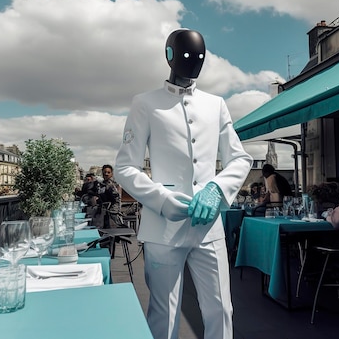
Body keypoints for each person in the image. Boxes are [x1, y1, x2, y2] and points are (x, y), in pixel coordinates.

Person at [115, 28, 252, 339]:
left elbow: (240, 158)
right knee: (164, 313)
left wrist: (217, 189)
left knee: (221, 310)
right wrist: (162, 199)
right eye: (188, 56)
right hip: (163, 228)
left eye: (199, 57)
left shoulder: (216, 104)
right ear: (169, 56)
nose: (194, 63)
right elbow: (125, 166)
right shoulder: (145, 103)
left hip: (209, 228)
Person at [97, 164, 123, 228]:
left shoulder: (114, 184)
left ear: (112, 173)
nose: (106, 174)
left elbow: (116, 197)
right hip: (104, 212)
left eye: (108, 172)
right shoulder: (101, 184)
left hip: (114, 212)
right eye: (105, 172)